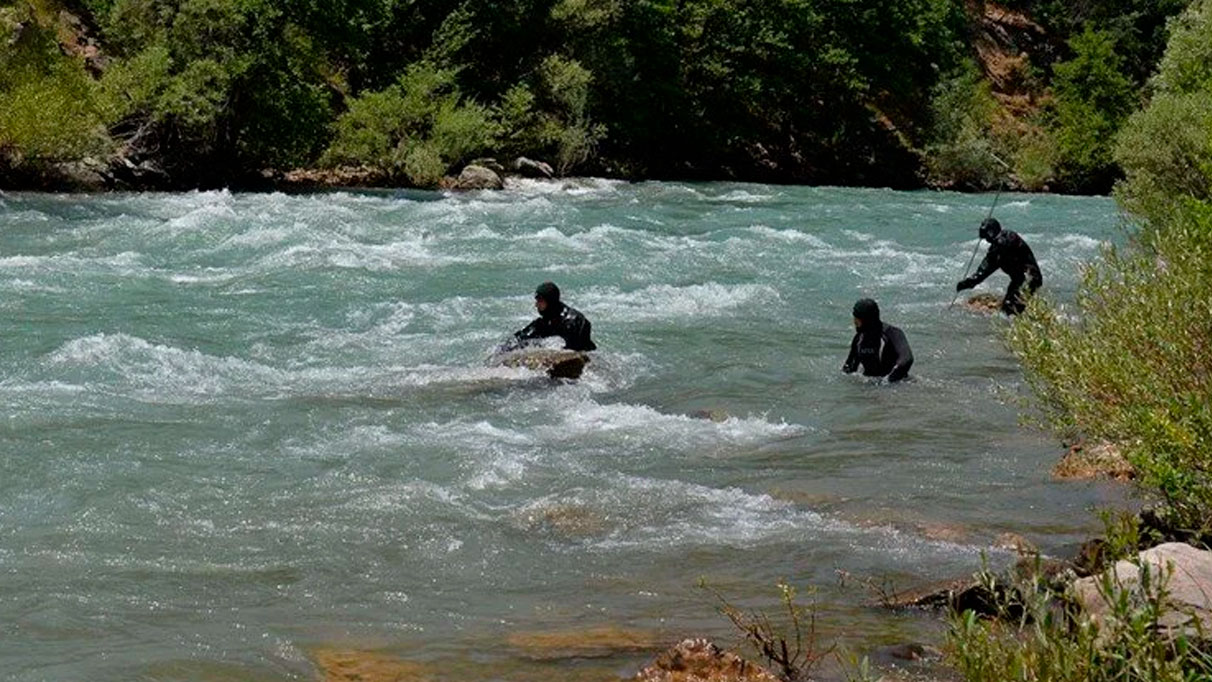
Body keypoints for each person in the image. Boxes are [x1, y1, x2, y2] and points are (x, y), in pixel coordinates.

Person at [955, 217, 1042, 315]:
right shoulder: (995, 254)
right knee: (1006, 309)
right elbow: (982, 272)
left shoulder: (1009, 236)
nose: (987, 240)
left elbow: (1007, 243)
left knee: (1013, 306)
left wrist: (998, 243)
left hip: (1030, 277)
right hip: (1018, 280)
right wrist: (967, 283)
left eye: (988, 236)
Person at [507, 281, 597, 352]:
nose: (536, 305)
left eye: (540, 301)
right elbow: (520, 338)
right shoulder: (546, 320)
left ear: (550, 302)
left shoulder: (572, 321)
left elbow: (574, 353)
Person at [842, 298, 913, 383]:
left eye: (857, 318)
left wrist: (887, 381)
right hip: (870, 388)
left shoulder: (892, 333)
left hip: (894, 387)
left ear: (867, 320)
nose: (854, 321)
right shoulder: (859, 339)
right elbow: (849, 368)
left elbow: (907, 360)